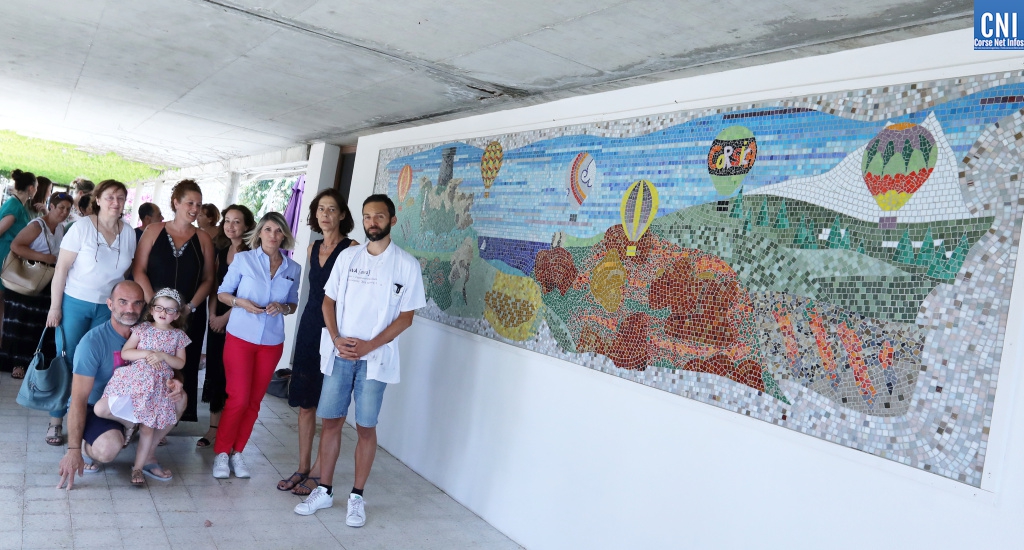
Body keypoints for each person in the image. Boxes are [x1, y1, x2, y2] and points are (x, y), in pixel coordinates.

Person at [293, 194, 426, 527]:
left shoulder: (406, 265)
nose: (372, 223)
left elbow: (406, 317)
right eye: (367, 217)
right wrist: (337, 339)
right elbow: (327, 302)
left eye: (379, 217)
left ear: (392, 221)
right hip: (340, 354)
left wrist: (369, 346)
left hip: (375, 359)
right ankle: (323, 490)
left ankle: (356, 497)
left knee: (366, 427)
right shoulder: (349, 257)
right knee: (331, 422)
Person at [56, 281, 186, 490]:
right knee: (108, 449)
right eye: (123, 302)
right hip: (98, 407)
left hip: (137, 400)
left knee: (181, 399)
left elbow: (171, 365)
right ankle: (83, 443)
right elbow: (79, 398)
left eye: (136, 303)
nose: (130, 309)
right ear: (110, 304)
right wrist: (72, 450)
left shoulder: (154, 332)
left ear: (144, 306)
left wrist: (176, 383)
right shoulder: (92, 342)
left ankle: (148, 456)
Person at [277, 189, 358, 495]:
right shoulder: (312, 248)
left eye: (332, 209)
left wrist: (339, 334)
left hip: (337, 329)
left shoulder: (352, 248)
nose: (325, 214)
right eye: (321, 209)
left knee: (330, 406)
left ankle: (319, 473)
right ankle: (302, 466)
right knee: (305, 402)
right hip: (310, 327)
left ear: (341, 215)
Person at [47, 179, 135, 446]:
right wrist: (55, 306)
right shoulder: (82, 228)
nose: (115, 202)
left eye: (120, 197)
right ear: (97, 199)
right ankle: (56, 421)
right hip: (75, 302)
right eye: (109, 197)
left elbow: (126, 275)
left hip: (108, 308)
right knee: (68, 361)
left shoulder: (129, 232)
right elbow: (61, 268)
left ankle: (86, 420)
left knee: (101, 364)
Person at [213, 212, 300, 479]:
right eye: (268, 229)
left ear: (284, 235)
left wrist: (283, 306)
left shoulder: (292, 268)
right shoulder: (244, 260)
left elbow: (293, 303)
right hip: (240, 337)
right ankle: (222, 453)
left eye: (278, 231)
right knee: (238, 398)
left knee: (254, 402)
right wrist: (242, 302)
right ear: (259, 232)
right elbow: (223, 293)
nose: (273, 235)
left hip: (271, 342)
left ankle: (238, 452)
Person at [133, 179, 215, 423]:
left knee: (181, 365)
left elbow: (209, 279)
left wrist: (189, 307)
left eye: (199, 205)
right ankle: (140, 414)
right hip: (152, 313)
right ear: (175, 202)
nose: (195, 208)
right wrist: (154, 306)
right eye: (190, 202)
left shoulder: (203, 238)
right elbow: (139, 269)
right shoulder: (154, 230)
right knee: (149, 362)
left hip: (188, 315)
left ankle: (168, 417)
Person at [96, 288, 189, 485]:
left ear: (177, 314)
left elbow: (180, 363)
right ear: (152, 309)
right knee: (101, 408)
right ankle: (131, 424)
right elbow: (126, 353)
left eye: (170, 310)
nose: (164, 313)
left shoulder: (178, 336)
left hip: (158, 386)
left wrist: (163, 356)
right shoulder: (143, 329)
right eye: (159, 308)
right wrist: (148, 353)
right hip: (135, 381)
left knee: (148, 429)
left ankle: (137, 469)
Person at [198, 204, 255, 449]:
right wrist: (212, 314)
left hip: (241, 319)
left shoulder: (253, 254)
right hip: (218, 316)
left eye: (237, 221)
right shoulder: (222, 251)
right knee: (215, 372)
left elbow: (251, 294)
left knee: (234, 376)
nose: (231, 226)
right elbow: (215, 287)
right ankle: (213, 428)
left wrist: (224, 318)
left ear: (248, 226)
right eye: (227, 221)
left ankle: (229, 431)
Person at [1, 192, 73, 379]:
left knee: (37, 324)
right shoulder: (37, 225)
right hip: (26, 281)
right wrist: (45, 258)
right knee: (20, 323)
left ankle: (33, 361)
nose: (64, 212)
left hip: (46, 281)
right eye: (61, 208)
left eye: (67, 209)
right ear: (51, 207)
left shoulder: (60, 228)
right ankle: (16, 363)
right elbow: (16, 246)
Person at [0, 169, 38, 354]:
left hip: (9, 258)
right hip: (3, 257)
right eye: (36, 188)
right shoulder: (14, 207)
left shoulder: (19, 206)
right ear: (31, 188)